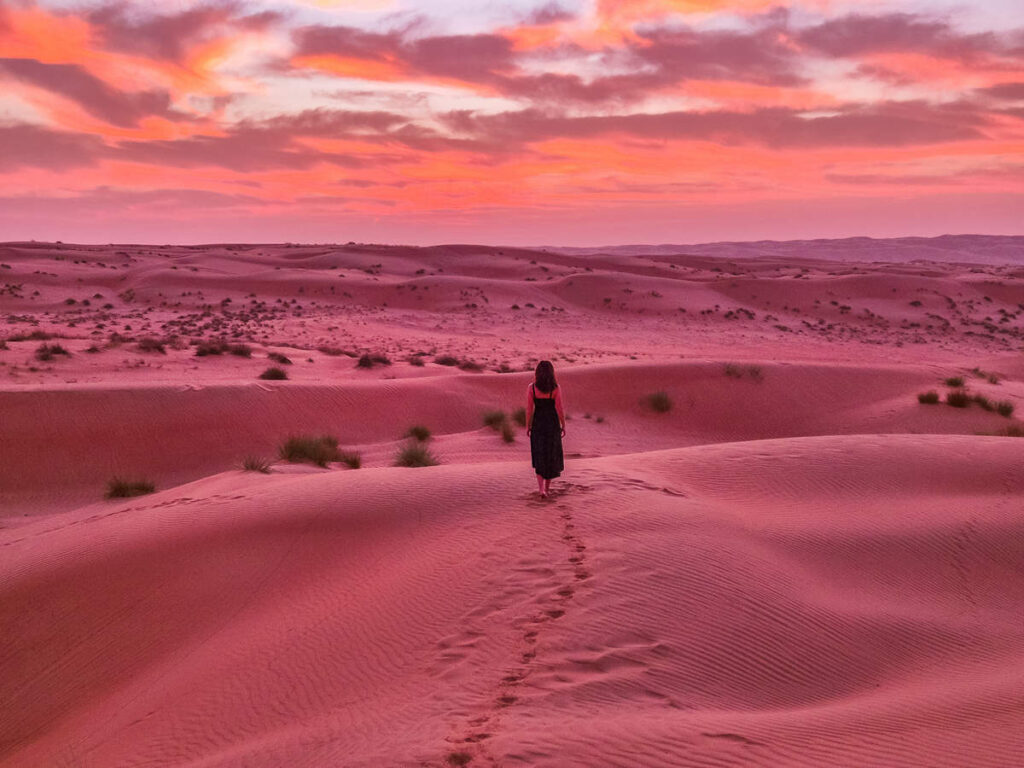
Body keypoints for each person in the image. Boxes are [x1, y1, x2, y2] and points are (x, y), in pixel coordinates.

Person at [526, 359, 565, 498]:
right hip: (552, 424)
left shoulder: (531, 388)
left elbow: (529, 409)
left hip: (538, 423)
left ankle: (541, 489)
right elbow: (559, 408)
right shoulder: (555, 388)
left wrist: (528, 425)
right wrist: (563, 424)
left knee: (539, 455)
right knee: (550, 455)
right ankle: (547, 490)